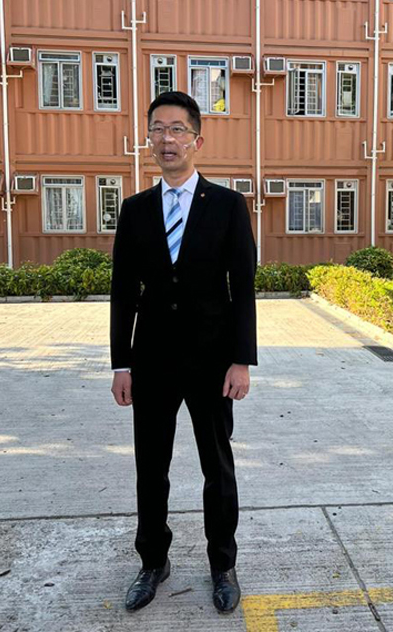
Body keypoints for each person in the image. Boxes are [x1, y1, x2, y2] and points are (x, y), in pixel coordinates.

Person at [109, 91, 257, 614]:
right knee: (151, 467)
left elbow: (243, 284)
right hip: (150, 362)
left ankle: (223, 564)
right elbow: (123, 291)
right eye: (157, 129)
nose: (166, 139)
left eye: (176, 130)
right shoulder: (134, 210)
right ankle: (153, 561)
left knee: (218, 466)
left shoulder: (227, 205)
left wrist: (241, 359)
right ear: (146, 139)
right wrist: (120, 363)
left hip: (213, 361)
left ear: (197, 140)